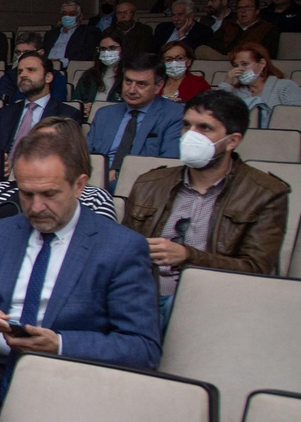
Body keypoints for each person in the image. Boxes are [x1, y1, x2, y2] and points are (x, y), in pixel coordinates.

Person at [0, 128, 162, 397]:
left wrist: (60, 344)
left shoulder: (120, 248)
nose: (35, 207)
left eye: (49, 194)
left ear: (79, 185)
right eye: (26, 194)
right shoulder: (0, 233)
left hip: (70, 380)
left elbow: (142, 348)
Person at [122, 91, 291, 328]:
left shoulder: (265, 193)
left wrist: (189, 256)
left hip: (213, 302)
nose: (191, 136)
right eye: (187, 125)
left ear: (232, 141)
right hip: (141, 296)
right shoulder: (150, 183)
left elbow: (256, 270)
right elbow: (121, 249)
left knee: (172, 309)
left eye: (205, 128)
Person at [0, 117, 117, 222]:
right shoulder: (0, 189)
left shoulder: (96, 198)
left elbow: (103, 244)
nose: (36, 207)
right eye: (35, 144)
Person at [86, 54, 184, 189]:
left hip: (141, 186)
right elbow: (84, 157)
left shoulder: (174, 115)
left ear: (158, 86)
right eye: (128, 81)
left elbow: (168, 166)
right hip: (94, 182)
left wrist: (119, 177)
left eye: (141, 84)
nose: (131, 90)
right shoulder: (105, 114)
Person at [0, 52, 82, 173]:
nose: (23, 75)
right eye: (20, 72)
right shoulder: (6, 113)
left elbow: (67, 158)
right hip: (2, 177)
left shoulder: (68, 115)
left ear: (48, 77)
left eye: (31, 70)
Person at [216, 41, 301, 128]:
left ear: (262, 63)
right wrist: (227, 82)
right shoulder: (235, 92)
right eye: (236, 66)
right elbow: (216, 114)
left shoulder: (285, 86)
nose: (240, 70)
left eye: (245, 64)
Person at [0, 35, 68, 104]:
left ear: (41, 53)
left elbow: (57, 104)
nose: (21, 56)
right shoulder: (8, 77)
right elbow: (3, 103)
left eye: (27, 52)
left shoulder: (56, 77)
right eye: (18, 52)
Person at [71, 30, 126, 108]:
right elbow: (76, 100)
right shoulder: (90, 75)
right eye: (103, 49)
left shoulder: (131, 76)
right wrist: (83, 107)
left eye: (112, 48)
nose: (107, 52)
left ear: (123, 48)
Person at [209, 0, 279, 56]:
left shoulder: (267, 28)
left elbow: (267, 52)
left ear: (257, 11)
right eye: (240, 8)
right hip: (225, 58)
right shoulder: (228, 24)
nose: (243, 11)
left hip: (249, 61)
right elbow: (214, 44)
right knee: (201, 50)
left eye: (248, 7)